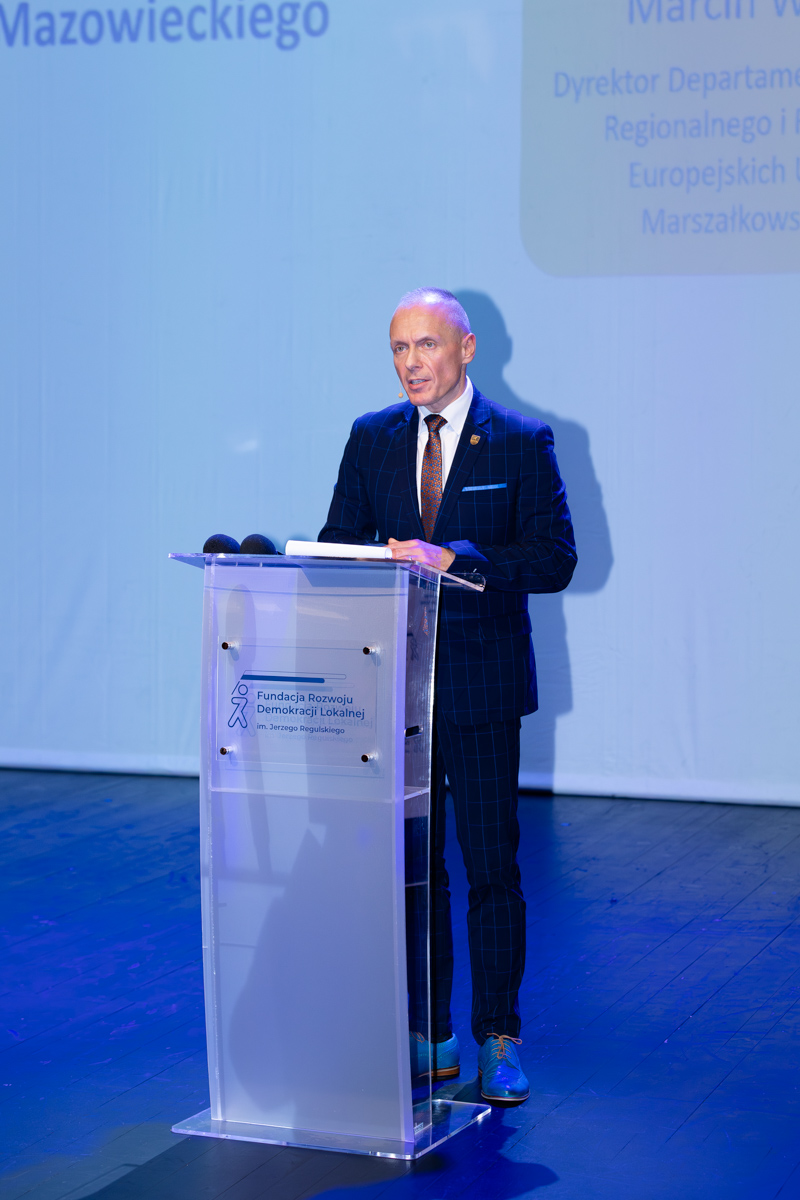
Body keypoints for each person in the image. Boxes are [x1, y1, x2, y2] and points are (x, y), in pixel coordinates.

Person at [319, 288, 576, 1103]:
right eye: (399, 348)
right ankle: (428, 1035)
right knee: (414, 871)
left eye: (426, 345)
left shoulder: (522, 441)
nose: (411, 363)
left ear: (466, 349)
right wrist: (362, 564)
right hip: (397, 688)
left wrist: (457, 559)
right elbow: (337, 545)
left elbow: (555, 558)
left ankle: (499, 1037)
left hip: (485, 686)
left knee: (491, 868)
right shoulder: (372, 437)